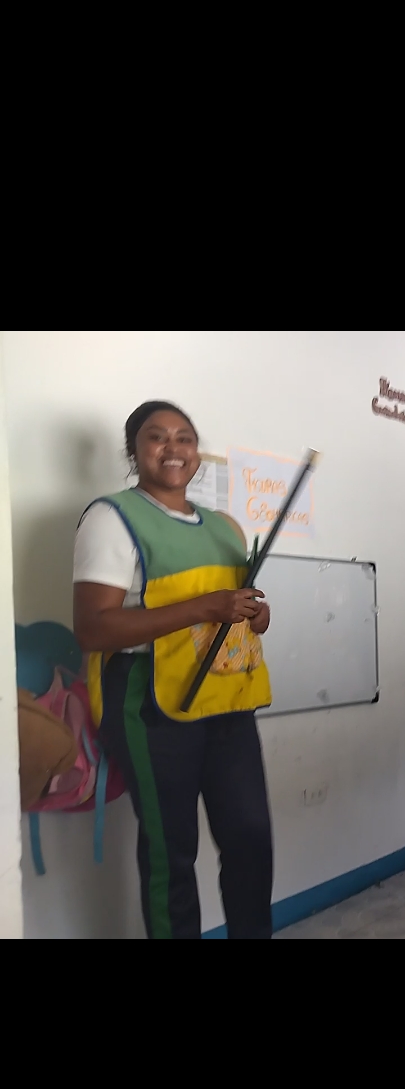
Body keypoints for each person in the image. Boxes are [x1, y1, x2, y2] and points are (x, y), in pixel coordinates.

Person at [72, 400, 274, 940]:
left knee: (251, 838)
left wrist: (256, 615)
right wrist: (205, 607)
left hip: (227, 700)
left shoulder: (226, 528)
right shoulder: (111, 518)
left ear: (196, 451)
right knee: (171, 852)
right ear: (133, 450)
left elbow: (236, 608)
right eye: (156, 436)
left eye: (184, 437)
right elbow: (92, 629)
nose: (173, 448)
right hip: (149, 705)